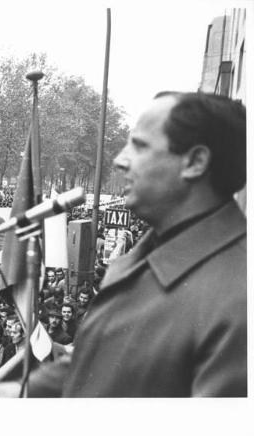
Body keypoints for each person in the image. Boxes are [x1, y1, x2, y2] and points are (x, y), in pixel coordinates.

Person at [63, 92, 246, 397]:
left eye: (139, 145)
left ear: (195, 162)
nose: (120, 160)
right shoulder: (141, 257)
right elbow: (95, 365)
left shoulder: (239, 303)